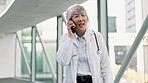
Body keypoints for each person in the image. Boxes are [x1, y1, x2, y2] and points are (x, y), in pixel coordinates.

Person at [56, 4, 113, 83]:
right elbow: (63, 61)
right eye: (76, 16)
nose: (80, 19)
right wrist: (70, 37)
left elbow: (105, 65)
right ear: (70, 21)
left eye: (83, 15)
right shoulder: (65, 38)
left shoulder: (97, 37)